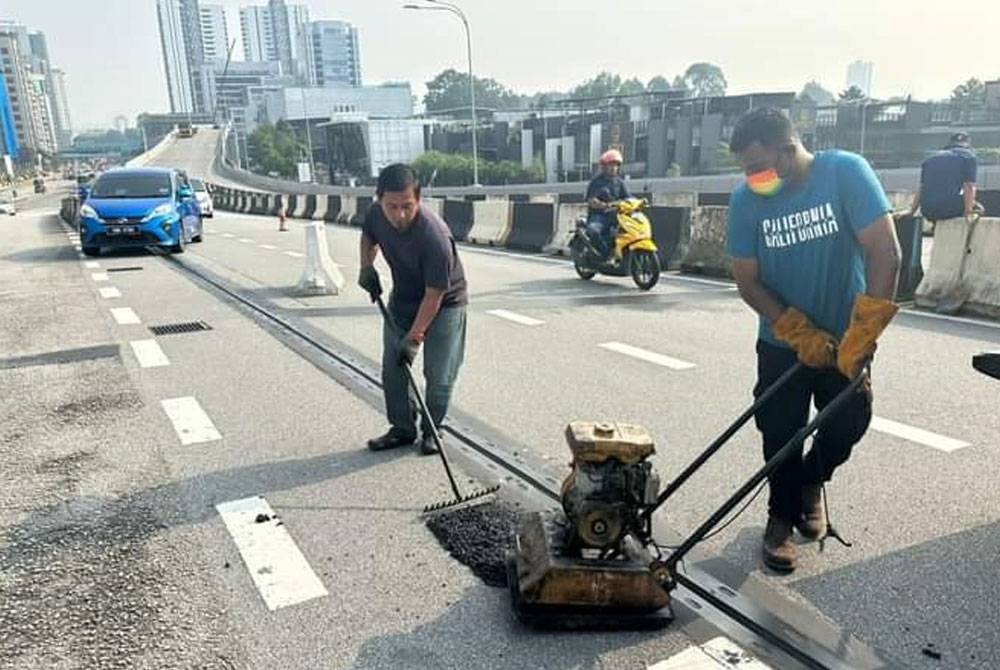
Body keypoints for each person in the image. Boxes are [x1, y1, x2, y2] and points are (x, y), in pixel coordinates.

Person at [725, 107, 902, 573]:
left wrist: (864, 334)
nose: (751, 178)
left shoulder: (844, 173)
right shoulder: (747, 202)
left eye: (756, 166)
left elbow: (885, 252)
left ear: (785, 153)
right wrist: (795, 330)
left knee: (850, 420)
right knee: (779, 431)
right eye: (745, 170)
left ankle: (812, 482)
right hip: (783, 343)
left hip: (847, 341)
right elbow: (748, 281)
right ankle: (780, 518)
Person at [357, 163, 468, 456]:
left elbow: (435, 295)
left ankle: (433, 430)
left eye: (407, 206)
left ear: (418, 199)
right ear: (379, 199)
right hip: (403, 298)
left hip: (445, 303)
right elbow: (368, 236)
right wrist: (366, 267)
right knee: (394, 367)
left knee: (439, 374)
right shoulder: (375, 215)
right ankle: (403, 428)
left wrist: (415, 337)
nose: (399, 215)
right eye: (391, 206)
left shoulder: (434, 236)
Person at [906, 132, 980, 222]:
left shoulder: (930, 158)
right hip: (949, 209)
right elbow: (969, 186)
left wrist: (911, 212)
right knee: (977, 207)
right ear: (968, 144)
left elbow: (922, 188)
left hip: (927, 210)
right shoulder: (969, 157)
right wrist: (968, 212)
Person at [585, 149, 631, 259]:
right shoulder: (596, 182)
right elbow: (591, 201)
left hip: (617, 216)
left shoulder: (619, 182)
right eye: (610, 164)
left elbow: (628, 197)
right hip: (599, 216)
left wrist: (638, 202)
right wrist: (604, 206)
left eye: (615, 165)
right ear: (604, 166)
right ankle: (604, 255)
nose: (613, 167)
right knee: (594, 231)